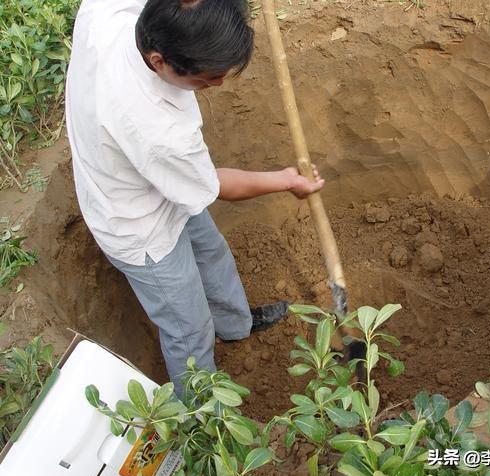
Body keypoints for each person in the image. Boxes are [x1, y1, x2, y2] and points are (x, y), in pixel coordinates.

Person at [65, 0, 324, 397]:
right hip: (137, 225)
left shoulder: (106, 14)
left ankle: (236, 326)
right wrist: (286, 180)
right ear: (159, 61)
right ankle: (202, 420)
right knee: (188, 328)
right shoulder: (159, 130)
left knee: (212, 255)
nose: (217, 85)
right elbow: (217, 186)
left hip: (156, 181)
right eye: (207, 79)